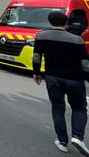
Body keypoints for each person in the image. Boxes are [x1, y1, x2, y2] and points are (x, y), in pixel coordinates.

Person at [33, 11, 89, 156]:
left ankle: (62, 142)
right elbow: (84, 63)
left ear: (50, 22)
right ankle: (77, 137)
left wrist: (36, 72)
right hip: (74, 79)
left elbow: (37, 56)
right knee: (79, 107)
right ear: (66, 22)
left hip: (52, 77)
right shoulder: (77, 39)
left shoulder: (41, 36)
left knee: (58, 108)